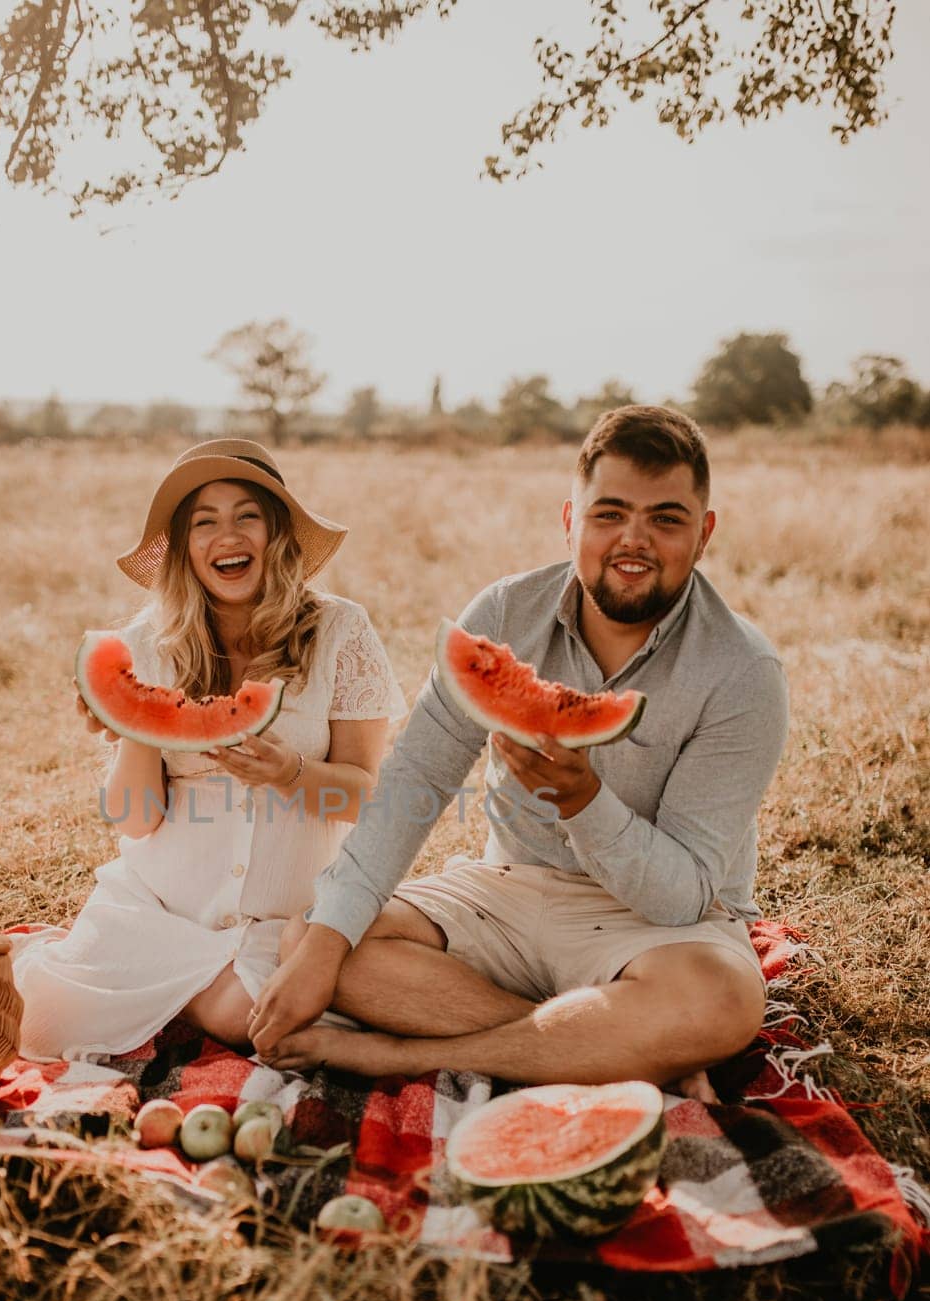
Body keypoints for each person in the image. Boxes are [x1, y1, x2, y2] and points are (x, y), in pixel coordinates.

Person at [248, 406, 789, 1095]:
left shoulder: (742, 671)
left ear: (703, 532)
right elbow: (414, 783)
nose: (633, 540)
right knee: (312, 939)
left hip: (658, 928)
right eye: (609, 514)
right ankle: (612, 1043)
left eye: (665, 518)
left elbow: (681, 896)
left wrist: (583, 801)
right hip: (511, 891)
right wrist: (325, 947)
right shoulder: (504, 615)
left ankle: (393, 1055)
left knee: (720, 1002)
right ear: (570, 520)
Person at [10, 438, 406, 1061]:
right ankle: (185, 991)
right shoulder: (146, 643)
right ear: (185, 548)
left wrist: (291, 772)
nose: (228, 534)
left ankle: (181, 1001)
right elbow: (136, 818)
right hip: (156, 915)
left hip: (281, 926)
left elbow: (368, 796)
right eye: (205, 521)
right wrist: (134, 726)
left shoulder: (340, 631)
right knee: (39, 1023)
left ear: (277, 534)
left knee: (270, 1022)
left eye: (247, 514)